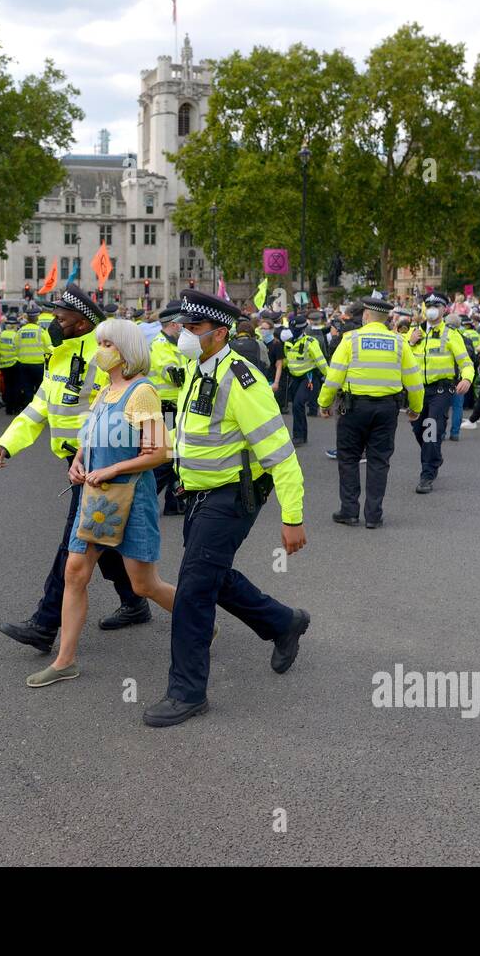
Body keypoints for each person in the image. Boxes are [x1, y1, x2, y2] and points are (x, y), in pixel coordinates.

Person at [143, 289, 309, 728]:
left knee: (193, 591)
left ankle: (187, 692)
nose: (183, 334)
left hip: (233, 496)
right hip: (200, 493)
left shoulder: (242, 378)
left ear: (220, 332)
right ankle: (283, 622)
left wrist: (292, 516)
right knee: (211, 576)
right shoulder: (197, 370)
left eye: (193, 328)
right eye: (183, 326)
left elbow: (281, 452)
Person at [0, 284, 150, 652]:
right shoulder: (60, 355)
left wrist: (100, 460)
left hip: (100, 465)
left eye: (59, 318)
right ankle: (135, 602)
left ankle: (44, 625)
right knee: (104, 543)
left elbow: (114, 411)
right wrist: (7, 442)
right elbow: (39, 408)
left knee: (73, 547)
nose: (52, 322)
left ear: (81, 323)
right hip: (77, 462)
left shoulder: (103, 357)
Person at [26, 319, 175, 688]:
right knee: (75, 572)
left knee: (144, 585)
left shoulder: (142, 392)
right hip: (95, 498)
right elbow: (89, 437)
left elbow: (158, 453)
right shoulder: (103, 391)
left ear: (126, 350)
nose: (100, 349)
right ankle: (65, 661)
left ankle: (200, 621)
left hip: (130, 498)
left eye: (107, 343)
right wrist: (78, 462)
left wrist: (112, 469)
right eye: (100, 342)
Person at [319, 297, 422, 528]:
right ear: (386, 318)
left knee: (348, 459)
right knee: (378, 461)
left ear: (366, 315)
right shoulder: (399, 342)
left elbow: (334, 376)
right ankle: (374, 516)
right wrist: (415, 408)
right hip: (387, 409)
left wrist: (324, 403)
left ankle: (349, 511)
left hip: (353, 408)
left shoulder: (350, 340)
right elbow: (414, 381)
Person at [407, 293, 473, 491]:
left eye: (436, 305)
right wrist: (410, 343)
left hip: (441, 390)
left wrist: (467, 378)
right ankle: (434, 457)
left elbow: (466, 363)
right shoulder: (413, 333)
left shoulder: (451, 334)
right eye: (428, 305)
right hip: (417, 390)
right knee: (419, 430)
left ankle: (426, 475)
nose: (432, 308)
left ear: (445, 310)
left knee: (431, 429)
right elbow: (400, 360)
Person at [148, 301, 186, 516]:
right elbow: (173, 374)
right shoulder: (161, 344)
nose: (185, 327)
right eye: (182, 323)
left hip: (175, 407)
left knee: (177, 455)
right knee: (166, 458)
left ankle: (175, 502)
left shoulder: (174, 344)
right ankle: (144, 501)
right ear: (173, 324)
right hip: (166, 409)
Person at [274, 313, 328, 446]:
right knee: (297, 407)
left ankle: (298, 436)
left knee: (298, 404)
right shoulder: (288, 342)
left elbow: (320, 361)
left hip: (308, 377)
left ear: (302, 329)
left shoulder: (310, 342)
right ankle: (302, 435)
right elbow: (287, 360)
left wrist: (330, 378)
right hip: (294, 378)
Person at [15, 305, 50, 405]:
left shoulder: (20, 331)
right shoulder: (41, 331)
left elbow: (16, 347)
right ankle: (39, 410)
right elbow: (48, 348)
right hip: (38, 365)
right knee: (40, 390)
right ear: (37, 318)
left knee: (27, 389)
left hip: (24, 364)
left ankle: (27, 410)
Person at [0, 314, 21, 414]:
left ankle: (8, 408)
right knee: (16, 387)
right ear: (15, 325)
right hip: (14, 364)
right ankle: (15, 408)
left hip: (4, 365)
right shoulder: (16, 335)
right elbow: (20, 349)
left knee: (7, 387)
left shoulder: (1, 335)